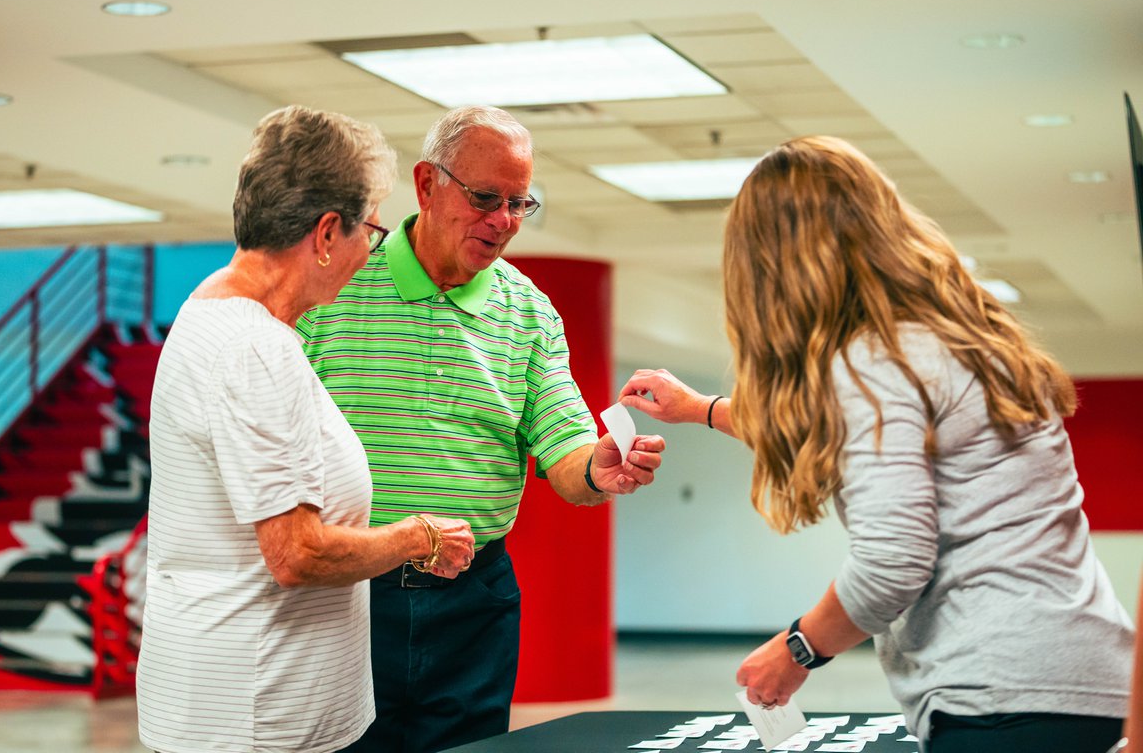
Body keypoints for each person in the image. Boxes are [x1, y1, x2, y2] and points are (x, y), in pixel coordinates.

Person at [618, 135, 1134, 752]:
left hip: (1000, 694)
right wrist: (701, 409)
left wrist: (797, 648)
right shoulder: (958, 341)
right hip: (1084, 677)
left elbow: (894, 561)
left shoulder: (874, 360)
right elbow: (826, 426)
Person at [298, 105, 666, 753]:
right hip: (346, 598)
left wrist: (598, 467)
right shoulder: (338, 284)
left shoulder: (529, 311)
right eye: (485, 198)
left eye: (519, 203)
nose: (503, 221)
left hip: (473, 603)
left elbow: (567, 449)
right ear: (426, 184)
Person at [136, 105, 475, 753]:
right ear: (325, 233)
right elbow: (296, 554)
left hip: (241, 704)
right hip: (254, 715)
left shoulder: (219, 310)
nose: (367, 253)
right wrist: (416, 537)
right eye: (369, 232)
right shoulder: (252, 347)